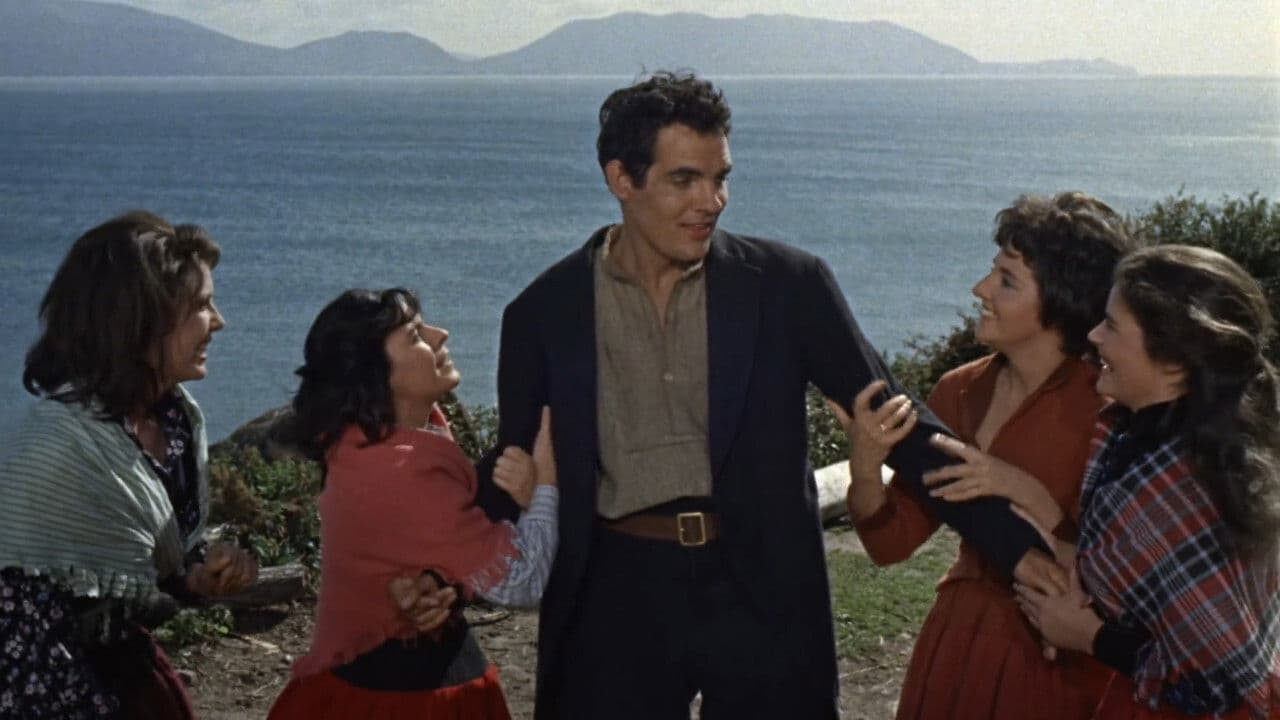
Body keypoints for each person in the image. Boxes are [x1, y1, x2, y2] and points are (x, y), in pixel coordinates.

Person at [483, 70, 1069, 720]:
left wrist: (1016, 551)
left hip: (763, 585)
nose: (712, 201)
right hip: (615, 592)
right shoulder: (544, 312)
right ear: (622, 179)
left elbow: (900, 426)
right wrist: (426, 572)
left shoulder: (787, 285)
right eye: (685, 180)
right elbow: (511, 468)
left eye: (720, 177)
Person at [829, 192, 1132, 718]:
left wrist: (1026, 492)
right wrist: (866, 465)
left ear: (1060, 302)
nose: (980, 289)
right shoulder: (958, 391)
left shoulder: (1107, 413)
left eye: (1006, 280)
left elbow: (1127, 573)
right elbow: (891, 545)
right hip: (956, 642)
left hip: (1056, 663)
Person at [0, 211, 258, 719]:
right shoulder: (57, 444)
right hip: (45, 686)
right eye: (201, 305)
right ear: (142, 321)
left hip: (126, 669)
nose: (219, 321)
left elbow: (152, 568)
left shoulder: (178, 420)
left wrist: (200, 576)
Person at [1015, 245, 1280, 719]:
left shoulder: (1184, 488)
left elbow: (1221, 681)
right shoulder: (1138, 432)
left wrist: (1090, 636)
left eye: (1112, 325)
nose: (1094, 335)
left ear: (1174, 360)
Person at [267, 288, 557, 720]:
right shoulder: (402, 472)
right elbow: (522, 581)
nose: (441, 335)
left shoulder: (363, 445)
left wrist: (440, 579)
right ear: (377, 374)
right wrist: (545, 488)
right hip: (407, 700)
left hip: (379, 680)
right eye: (416, 335)